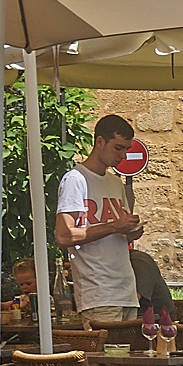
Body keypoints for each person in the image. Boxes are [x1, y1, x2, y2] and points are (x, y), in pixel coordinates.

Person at [57, 116, 144, 320]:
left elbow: (119, 230)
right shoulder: (75, 180)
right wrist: (114, 226)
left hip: (126, 291)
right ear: (100, 142)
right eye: (118, 148)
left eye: (126, 149)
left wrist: (131, 231)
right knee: (106, 342)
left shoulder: (115, 182)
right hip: (98, 293)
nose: (123, 156)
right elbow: (64, 236)